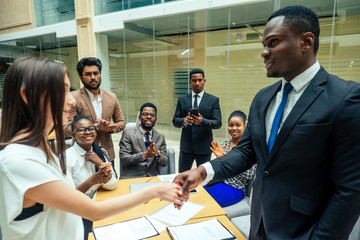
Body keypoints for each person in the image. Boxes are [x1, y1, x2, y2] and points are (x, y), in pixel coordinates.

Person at [173, 5, 360, 240]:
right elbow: (247, 151)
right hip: (259, 222)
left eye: (272, 43)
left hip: (304, 230)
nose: (264, 52)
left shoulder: (345, 98)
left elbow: (350, 190)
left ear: (306, 42)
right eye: (264, 45)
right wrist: (203, 171)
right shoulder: (263, 98)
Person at [0, 57, 184, 240]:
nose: (71, 101)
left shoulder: (41, 150)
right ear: (27, 96)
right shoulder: (19, 160)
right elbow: (94, 211)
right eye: (63, 91)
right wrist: (157, 190)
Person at [63, 57, 126, 172]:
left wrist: (110, 128)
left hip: (107, 154)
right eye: (88, 74)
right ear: (81, 77)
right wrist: (95, 127)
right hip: (84, 155)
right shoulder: (73, 97)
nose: (93, 77)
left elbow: (121, 123)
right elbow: (66, 128)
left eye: (96, 73)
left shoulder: (111, 97)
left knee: (110, 186)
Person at [66, 114, 117, 239]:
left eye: (91, 129)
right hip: (78, 212)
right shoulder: (66, 157)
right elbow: (67, 198)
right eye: (82, 130)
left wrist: (100, 163)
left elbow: (113, 184)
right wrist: (90, 182)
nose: (87, 132)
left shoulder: (101, 152)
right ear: (73, 134)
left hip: (101, 205)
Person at [173, 68, 222, 172]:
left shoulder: (213, 100)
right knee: (182, 176)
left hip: (204, 148)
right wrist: (184, 121)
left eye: (200, 80)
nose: (197, 83)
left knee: (203, 178)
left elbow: (218, 123)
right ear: (190, 82)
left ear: (204, 80)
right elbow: (175, 120)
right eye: (194, 80)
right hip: (186, 147)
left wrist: (202, 122)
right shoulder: (182, 100)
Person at [205, 110, 256, 208]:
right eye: (231, 125)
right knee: (196, 193)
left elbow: (249, 174)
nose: (234, 128)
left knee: (205, 204)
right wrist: (218, 160)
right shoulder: (225, 144)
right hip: (218, 182)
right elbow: (219, 169)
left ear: (244, 127)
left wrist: (224, 159)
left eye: (238, 125)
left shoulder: (249, 148)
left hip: (235, 188)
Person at [119, 103, 168, 178]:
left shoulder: (160, 137)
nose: (149, 117)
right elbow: (123, 159)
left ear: (155, 119)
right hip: (132, 177)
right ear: (139, 117)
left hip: (152, 178)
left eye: (152, 115)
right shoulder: (128, 134)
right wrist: (144, 155)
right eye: (145, 114)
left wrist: (157, 155)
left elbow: (164, 162)